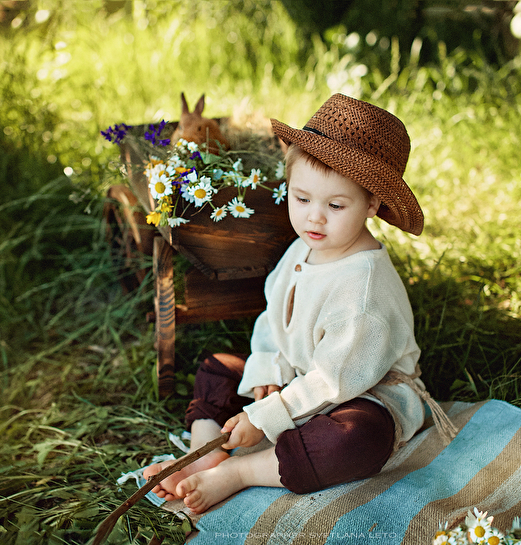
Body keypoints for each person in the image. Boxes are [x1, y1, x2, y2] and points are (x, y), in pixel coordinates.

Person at [143, 93, 455, 514]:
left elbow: (336, 380)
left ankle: (241, 472)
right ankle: (204, 451)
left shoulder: (363, 288)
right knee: (217, 368)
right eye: (301, 198)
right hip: (300, 377)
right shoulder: (304, 248)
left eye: (336, 205)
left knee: (353, 440)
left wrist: (270, 414)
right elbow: (273, 316)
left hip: (363, 393)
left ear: (372, 204)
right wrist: (268, 371)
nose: (314, 218)